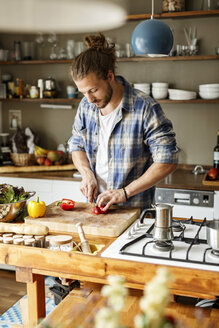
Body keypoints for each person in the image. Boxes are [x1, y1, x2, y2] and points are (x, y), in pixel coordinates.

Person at [68, 33, 178, 211]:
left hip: (134, 213)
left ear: (109, 76)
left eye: (93, 90)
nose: (88, 99)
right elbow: (76, 145)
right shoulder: (86, 107)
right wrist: (87, 174)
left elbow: (168, 160)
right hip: (96, 209)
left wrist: (124, 192)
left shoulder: (145, 108)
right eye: (83, 92)